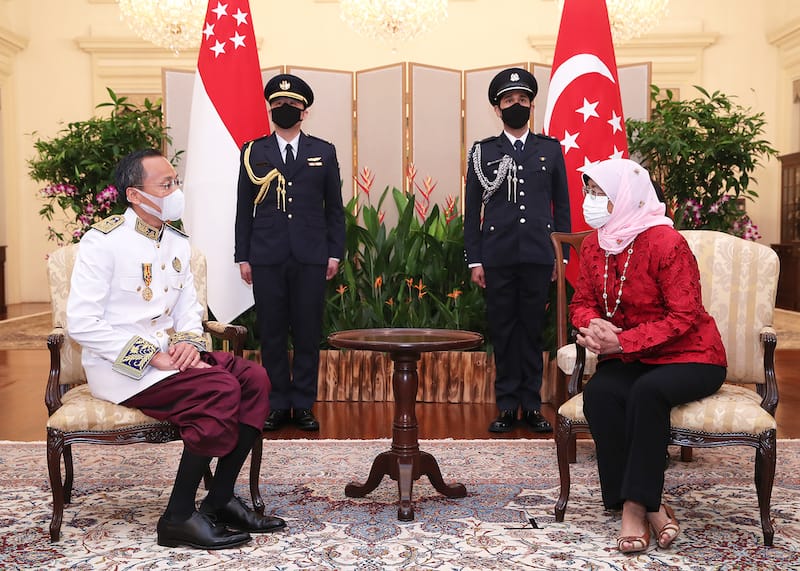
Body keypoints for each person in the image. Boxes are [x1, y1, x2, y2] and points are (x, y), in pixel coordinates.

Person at [67, 149, 286, 550]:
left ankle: (219, 499)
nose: (175, 191)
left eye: (176, 182)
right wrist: (152, 356)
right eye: (165, 185)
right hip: (121, 367)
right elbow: (82, 323)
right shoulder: (103, 242)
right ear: (134, 194)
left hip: (169, 356)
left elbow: (188, 308)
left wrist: (188, 343)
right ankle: (178, 517)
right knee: (219, 388)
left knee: (253, 377)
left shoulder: (176, 241)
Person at [571, 158, 727, 553]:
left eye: (598, 192)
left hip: (691, 354)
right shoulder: (594, 244)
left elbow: (685, 315)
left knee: (647, 392)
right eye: (588, 190)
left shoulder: (666, 243)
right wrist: (594, 325)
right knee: (600, 395)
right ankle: (652, 505)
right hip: (631, 356)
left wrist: (623, 342)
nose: (590, 200)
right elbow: (581, 302)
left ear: (626, 196)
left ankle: (635, 509)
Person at [235, 73, 345, 432]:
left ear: (305, 111)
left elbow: (334, 209)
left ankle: (303, 404)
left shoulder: (323, 151)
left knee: (308, 331)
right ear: (270, 110)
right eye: (278, 105)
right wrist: (242, 255)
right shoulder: (253, 152)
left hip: (311, 255)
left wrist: (335, 253)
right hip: (266, 255)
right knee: (272, 333)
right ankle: (277, 403)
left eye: (292, 105)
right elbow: (242, 207)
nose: (285, 109)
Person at [463, 67, 571, 434]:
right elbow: (471, 210)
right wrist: (475, 259)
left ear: (531, 105)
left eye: (522, 100)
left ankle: (532, 404)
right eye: (509, 101)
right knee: (505, 331)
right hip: (498, 256)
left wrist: (562, 256)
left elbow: (563, 206)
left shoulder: (550, 150)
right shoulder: (483, 152)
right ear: (497, 109)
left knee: (532, 332)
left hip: (539, 256)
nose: (516, 106)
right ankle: (507, 406)